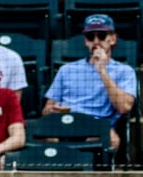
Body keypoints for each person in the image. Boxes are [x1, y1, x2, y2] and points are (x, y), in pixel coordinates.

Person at [42, 14, 136, 151]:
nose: (96, 41)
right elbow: (46, 110)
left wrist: (102, 71)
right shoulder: (66, 69)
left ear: (113, 39)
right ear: (86, 41)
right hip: (65, 123)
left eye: (102, 36)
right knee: (44, 133)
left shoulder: (125, 71)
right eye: (90, 36)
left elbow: (125, 107)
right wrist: (53, 110)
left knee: (112, 139)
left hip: (96, 126)